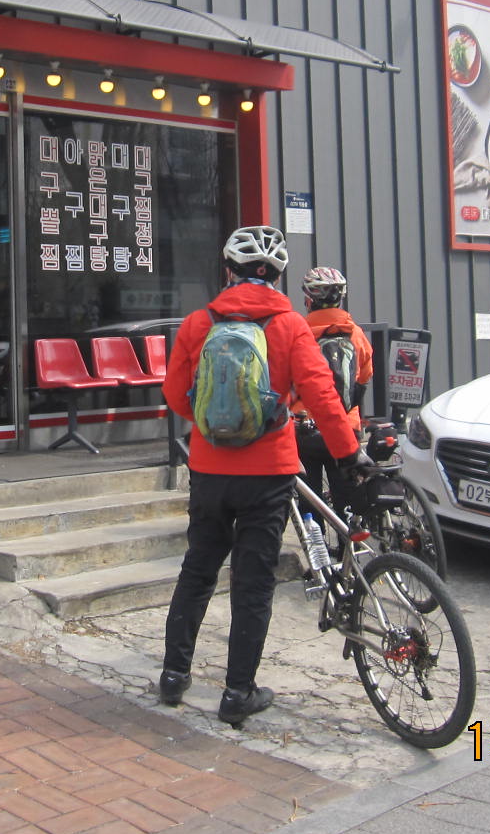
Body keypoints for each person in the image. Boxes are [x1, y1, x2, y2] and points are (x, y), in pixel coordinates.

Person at [159, 225, 371, 726]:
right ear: (278, 276)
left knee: (197, 570)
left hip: (209, 468)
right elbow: (322, 394)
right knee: (253, 584)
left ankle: (173, 675)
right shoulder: (291, 326)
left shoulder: (198, 323)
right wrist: (347, 453)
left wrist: (213, 423)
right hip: (269, 472)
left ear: (227, 271)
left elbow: (173, 393)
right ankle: (238, 693)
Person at [291, 266, 374, 512]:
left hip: (306, 427)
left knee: (310, 498)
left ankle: (315, 533)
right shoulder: (355, 334)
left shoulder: (298, 334)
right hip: (346, 428)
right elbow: (365, 376)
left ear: (309, 300)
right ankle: (346, 534)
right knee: (346, 499)